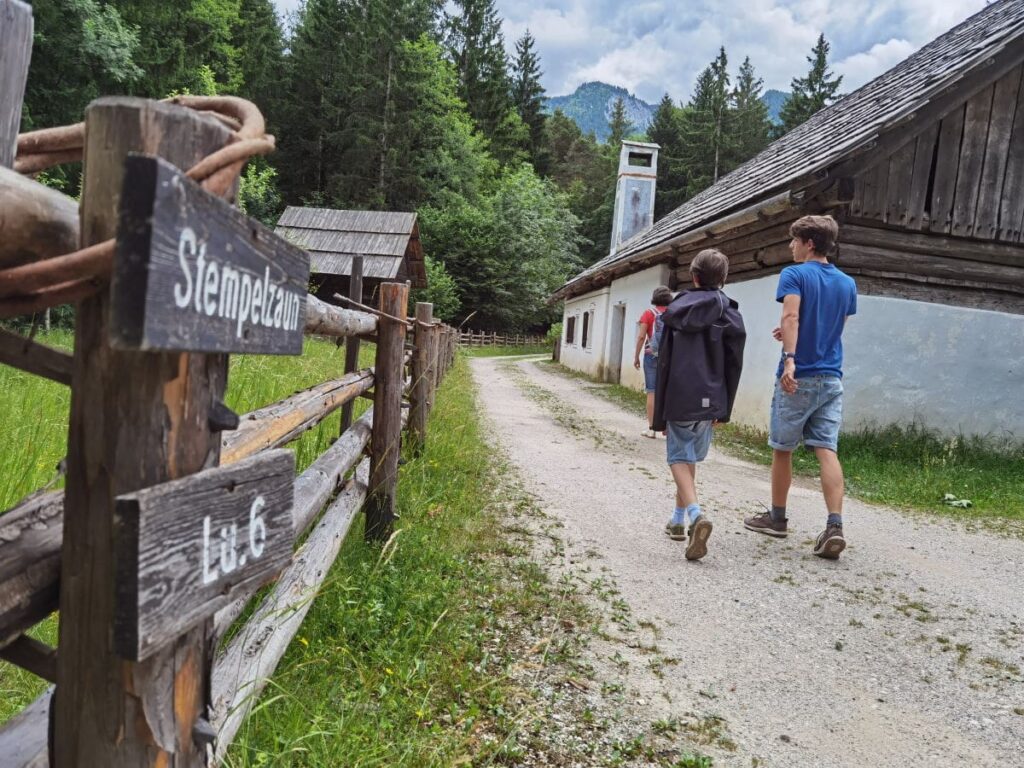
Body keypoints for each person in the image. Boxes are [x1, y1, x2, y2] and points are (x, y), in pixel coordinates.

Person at [743, 215, 857, 559]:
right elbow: (836, 325)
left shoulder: (794, 274)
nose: (790, 246)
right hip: (831, 376)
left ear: (809, 243)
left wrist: (790, 356)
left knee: (783, 447)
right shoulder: (847, 282)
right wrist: (799, 331)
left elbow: (791, 316)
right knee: (826, 449)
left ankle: (777, 518)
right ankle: (834, 525)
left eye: (794, 240)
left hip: (799, 375)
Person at [652, 249, 745, 561]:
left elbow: (664, 362)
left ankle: (695, 515)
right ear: (724, 278)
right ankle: (677, 521)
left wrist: (659, 411)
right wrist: (725, 406)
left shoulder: (675, 311)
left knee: (678, 456)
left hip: (680, 394)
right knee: (689, 454)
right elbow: (735, 364)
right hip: (712, 397)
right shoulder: (731, 313)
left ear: (693, 276)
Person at [633, 286, 673, 438]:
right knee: (668, 391)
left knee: (652, 391)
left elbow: (641, 337)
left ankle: (652, 428)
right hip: (669, 357)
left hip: (652, 355)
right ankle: (668, 428)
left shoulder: (648, 313)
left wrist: (636, 356)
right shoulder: (673, 314)